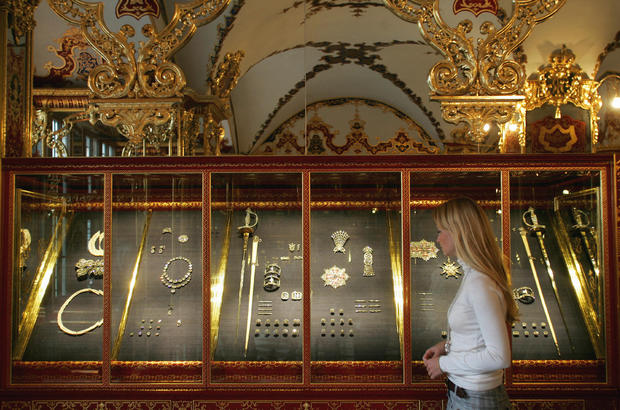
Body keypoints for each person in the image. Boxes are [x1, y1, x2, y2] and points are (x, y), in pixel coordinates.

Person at [423, 197, 518, 409]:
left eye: (440, 231)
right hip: (466, 396)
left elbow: (498, 356)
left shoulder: (480, 283)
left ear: (458, 231)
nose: (438, 239)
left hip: (476, 401)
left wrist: (443, 364)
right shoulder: (474, 277)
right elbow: (476, 337)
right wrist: (447, 347)